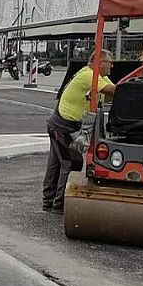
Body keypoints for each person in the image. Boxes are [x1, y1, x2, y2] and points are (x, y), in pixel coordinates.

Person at [42, 50, 116, 214]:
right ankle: (59, 205)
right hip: (62, 126)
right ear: (99, 62)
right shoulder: (89, 75)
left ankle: (48, 202)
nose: (112, 66)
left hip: (60, 124)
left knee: (55, 163)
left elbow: (113, 88)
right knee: (71, 163)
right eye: (110, 62)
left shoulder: (97, 76)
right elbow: (113, 91)